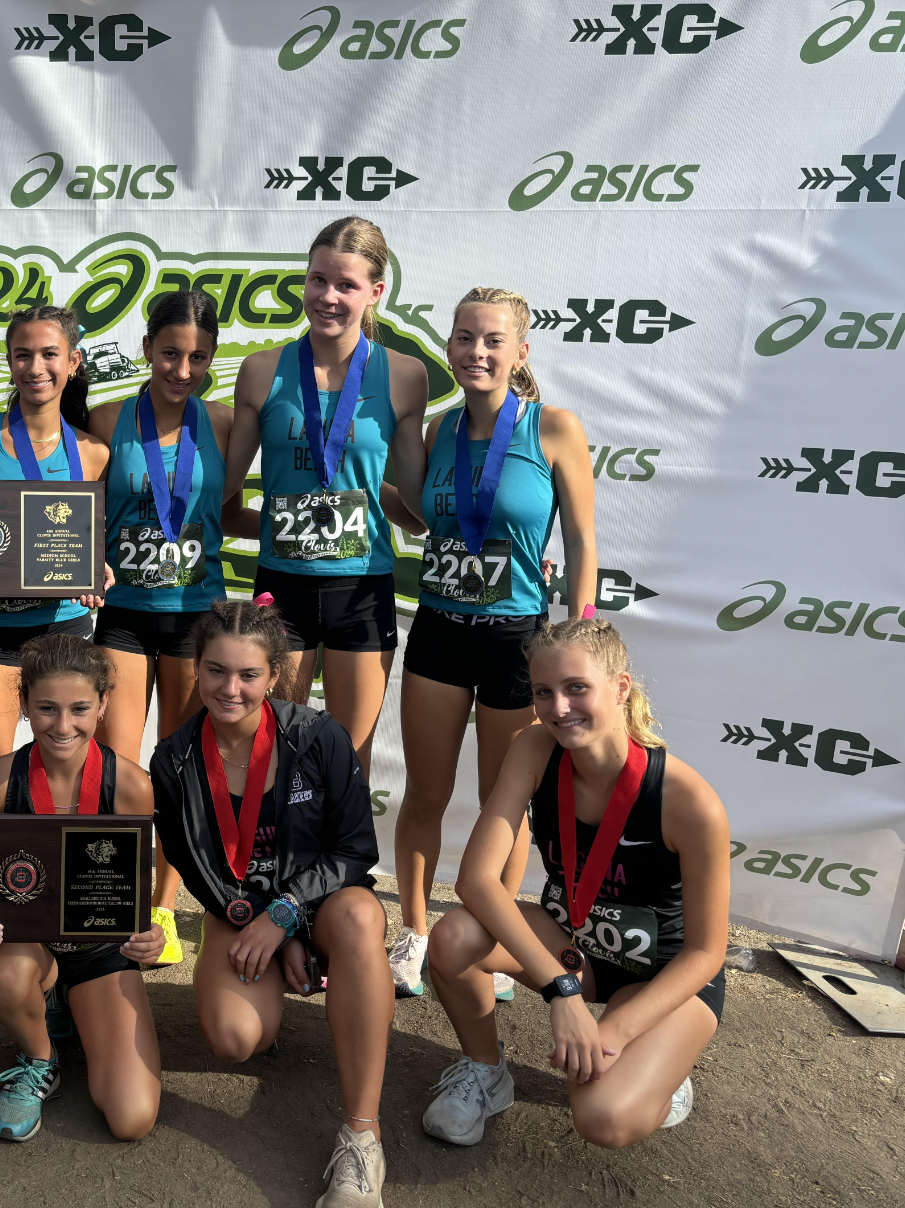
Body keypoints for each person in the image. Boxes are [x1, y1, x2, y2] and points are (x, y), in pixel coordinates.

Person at [421, 618, 729, 1150]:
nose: (559, 708)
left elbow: (706, 952)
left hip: (659, 975)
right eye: (544, 692)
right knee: (453, 938)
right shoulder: (534, 748)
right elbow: (476, 880)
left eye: (577, 688)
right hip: (572, 949)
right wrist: (561, 991)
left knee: (604, 1120)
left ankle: (665, 1069)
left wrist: (616, 1031)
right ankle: (486, 1074)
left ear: (620, 688)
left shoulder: (688, 800)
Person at [150, 599, 395, 1208]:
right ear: (197, 669)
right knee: (235, 1039)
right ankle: (265, 992)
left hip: (324, 904)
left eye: (247, 675)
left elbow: (356, 849)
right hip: (237, 912)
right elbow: (192, 865)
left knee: (362, 917)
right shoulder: (173, 761)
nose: (229, 689)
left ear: (275, 675)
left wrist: (288, 914)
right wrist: (265, 927)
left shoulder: (319, 737)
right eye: (214, 671)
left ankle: (362, 1135)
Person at [389, 287, 597, 999]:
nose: (477, 352)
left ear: (520, 352)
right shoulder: (440, 431)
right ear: (449, 346)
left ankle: (492, 938)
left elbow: (580, 540)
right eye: (464, 338)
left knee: (500, 805)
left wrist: (583, 628)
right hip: (442, 628)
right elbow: (415, 516)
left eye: (492, 340)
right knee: (425, 793)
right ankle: (414, 932)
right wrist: (360, 479)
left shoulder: (554, 428)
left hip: (517, 639)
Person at [223, 215, 428, 773]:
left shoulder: (404, 376)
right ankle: (278, 864)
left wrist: (490, 526)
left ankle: (343, 864)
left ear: (376, 293)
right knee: (276, 753)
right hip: (281, 588)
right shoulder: (262, 370)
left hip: (361, 589)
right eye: (318, 280)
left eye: (346, 285)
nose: (328, 296)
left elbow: (416, 506)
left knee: (347, 759)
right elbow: (222, 493)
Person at [86, 289, 244, 968]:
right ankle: (112, 903)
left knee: (179, 773)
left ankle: (163, 909)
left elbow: (226, 513)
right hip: (123, 617)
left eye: (199, 357)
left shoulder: (229, 422)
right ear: (147, 347)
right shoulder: (108, 415)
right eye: (171, 353)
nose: (183, 369)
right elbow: (81, 509)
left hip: (195, 618)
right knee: (120, 769)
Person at [0, 635, 164, 1144]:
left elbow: (133, 900)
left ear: (102, 705)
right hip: (31, 947)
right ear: (25, 704)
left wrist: (147, 937)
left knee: (132, 1117)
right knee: (5, 965)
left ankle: (68, 1001)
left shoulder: (132, 786)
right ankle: (40, 1056)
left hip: (99, 950)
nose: (62, 725)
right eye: (46, 708)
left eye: (79, 708)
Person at [0, 305, 112, 780]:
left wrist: (100, 565)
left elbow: (89, 536)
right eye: (22, 355)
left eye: (49, 354)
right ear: (9, 360)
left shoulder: (93, 452)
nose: (35, 368)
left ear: (74, 361)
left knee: (69, 775)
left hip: (66, 628)